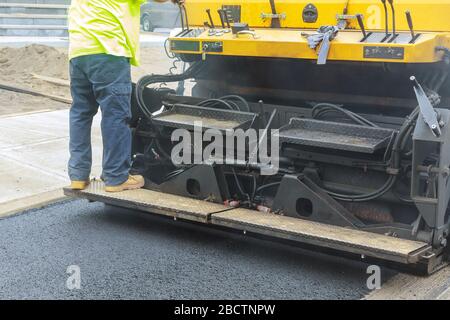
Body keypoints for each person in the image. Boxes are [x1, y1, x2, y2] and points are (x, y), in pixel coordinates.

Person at [68, 0, 181, 192]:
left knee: (80, 113)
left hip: (78, 52)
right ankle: (116, 177)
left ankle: (78, 175)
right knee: (115, 115)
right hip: (108, 51)